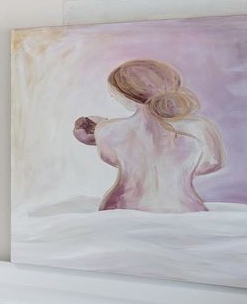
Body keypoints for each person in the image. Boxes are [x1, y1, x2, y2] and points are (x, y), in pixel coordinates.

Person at [74, 59, 225, 213]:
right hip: (184, 209)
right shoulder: (201, 127)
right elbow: (213, 163)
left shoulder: (107, 129)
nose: (112, 96)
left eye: (113, 92)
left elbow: (113, 158)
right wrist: (175, 168)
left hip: (123, 210)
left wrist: (96, 136)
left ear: (126, 96)